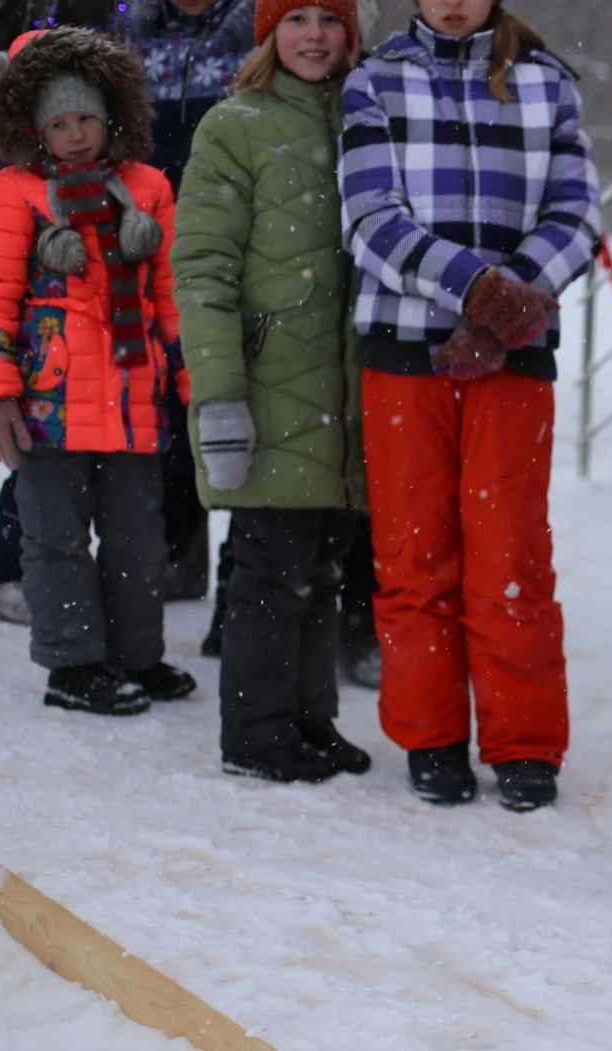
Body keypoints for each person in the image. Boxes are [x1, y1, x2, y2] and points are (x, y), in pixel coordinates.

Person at [337, 0, 602, 811]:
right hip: (403, 352)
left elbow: (578, 215)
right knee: (416, 555)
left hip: (513, 362)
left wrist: (509, 308)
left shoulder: (545, 80)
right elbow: (370, 219)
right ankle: (432, 735)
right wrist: (477, 288)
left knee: (510, 555)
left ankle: (524, 741)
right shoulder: (374, 81)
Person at [0, 25, 195, 714]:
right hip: (47, 408)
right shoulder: (13, 195)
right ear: (36, 128)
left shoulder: (149, 189)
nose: (74, 136)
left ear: (110, 117)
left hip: (133, 405)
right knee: (55, 542)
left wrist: (191, 384)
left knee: (139, 545)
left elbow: (171, 298)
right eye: (59, 123)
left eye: (86, 120)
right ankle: (72, 667)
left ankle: (135, 657)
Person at [172, 0, 370, 782]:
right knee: (268, 570)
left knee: (324, 566)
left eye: (330, 17)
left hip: (344, 389)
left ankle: (310, 720)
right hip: (265, 385)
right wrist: (220, 393)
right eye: (296, 19)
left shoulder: (365, 119)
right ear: (267, 33)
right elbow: (203, 270)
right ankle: (255, 735)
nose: (314, 34)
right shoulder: (234, 125)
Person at [116, 0, 260, 606]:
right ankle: (179, 551)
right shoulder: (130, 37)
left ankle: (245, 572)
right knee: (168, 405)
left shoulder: (260, 34)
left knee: (246, 401)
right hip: (144, 247)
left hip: (238, 245)